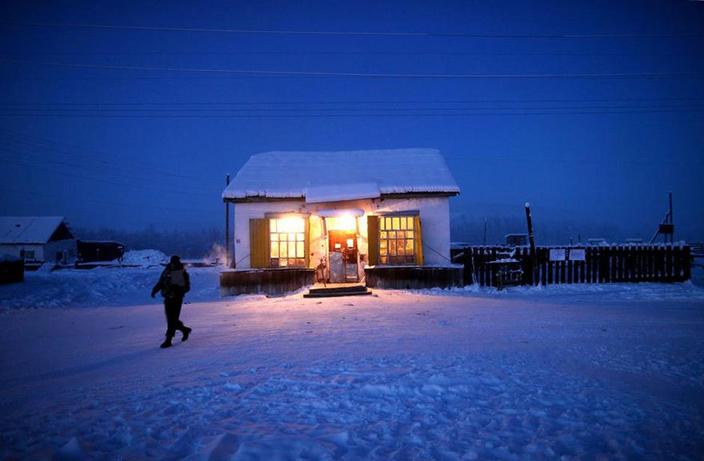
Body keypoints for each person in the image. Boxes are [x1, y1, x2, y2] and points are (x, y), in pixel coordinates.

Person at [151, 255, 192, 348]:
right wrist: (154, 290)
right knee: (171, 319)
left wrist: (179, 291)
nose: (173, 264)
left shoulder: (180, 272)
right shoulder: (167, 270)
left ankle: (168, 339)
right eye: (172, 262)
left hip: (176, 299)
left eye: (175, 262)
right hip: (167, 298)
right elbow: (161, 282)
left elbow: (186, 287)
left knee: (171, 320)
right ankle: (185, 330)